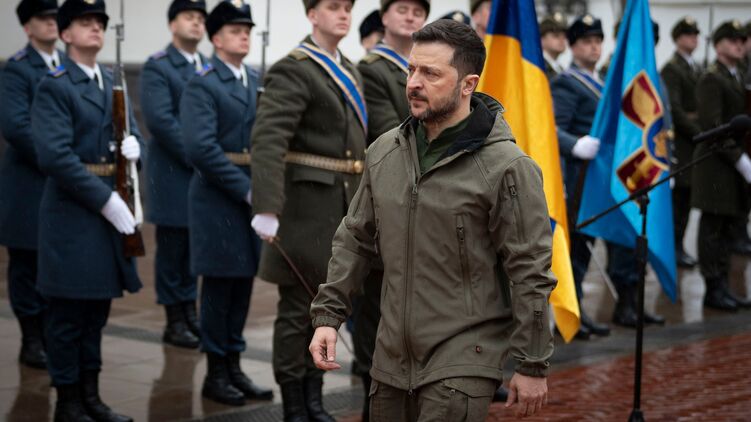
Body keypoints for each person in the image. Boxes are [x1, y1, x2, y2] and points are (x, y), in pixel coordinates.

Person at [309, 19, 555, 421]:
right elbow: (354, 239)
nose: (414, 83)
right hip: (389, 360)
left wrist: (532, 362)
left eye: (431, 73)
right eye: (411, 70)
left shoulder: (508, 166)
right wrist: (328, 317)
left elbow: (530, 270)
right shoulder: (384, 152)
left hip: (463, 361)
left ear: (468, 84)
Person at [249, 0, 367, 419]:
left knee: (326, 309)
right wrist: (266, 206)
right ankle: (294, 404)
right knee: (298, 311)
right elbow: (268, 139)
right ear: (312, 15)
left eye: (347, 7)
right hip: (305, 210)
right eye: (333, 6)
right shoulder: (295, 68)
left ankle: (314, 399)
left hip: (341, 206)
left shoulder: (348, 69)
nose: (343, 14)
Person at [31, 0, 143, 420]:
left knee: (96, 312)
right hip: (73, 215)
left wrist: (137, 150)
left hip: (108, 214)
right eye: (85, 22)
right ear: (65, 34)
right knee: (67, 316)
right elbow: (55, 157)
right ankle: (69, 401)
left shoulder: (112, 82)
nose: (96, 28)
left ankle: (91, 397)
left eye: (100, 22)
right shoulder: (55, 85)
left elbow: (129, 136)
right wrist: (105, 200)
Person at [180, 0, 273, 406]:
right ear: (216, 38)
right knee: (219, 289)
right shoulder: (203, 82)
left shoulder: (253, 79)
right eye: (236, 31)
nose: (244, 37)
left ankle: (234, 365)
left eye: (247, 31)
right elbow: (201, 148)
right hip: (217, 200)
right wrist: (246, 189)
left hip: (247, 197)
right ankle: (216, 372)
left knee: (242, 285)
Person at [355, 1, 428, 419]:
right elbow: (390, 131)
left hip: (427, 199)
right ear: (383, 16)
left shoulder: (427, 65)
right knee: (380, 310)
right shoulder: (373, 69)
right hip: (392, 196)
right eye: (402, 8)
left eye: (419, 10)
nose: (411, 16)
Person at [140, 0, 208, 351]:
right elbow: (161, 121)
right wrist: (201, 155)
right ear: (172, 24)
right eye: (188, 17)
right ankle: (174, 318)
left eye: (200, 18)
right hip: (173, 174)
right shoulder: (159, 66)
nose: (196, 23)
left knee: (194, 249)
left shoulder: (208, 65)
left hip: (201, 174)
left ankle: (189, 312)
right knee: (172, 250)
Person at [0, 0, 61, 370]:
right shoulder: (18, 68)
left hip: (60, 182)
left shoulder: (66, 64)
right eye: (43, 18)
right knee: (26, 264)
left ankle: (51, 334)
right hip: (29, 181)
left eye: (55, 17)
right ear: (27, 27)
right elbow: (16, 126)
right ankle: (31, 339)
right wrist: (59, 159)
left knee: (54, 262)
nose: (52, 23)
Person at [692, 20, 751, 312]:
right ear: (718, 45)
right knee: (713, 228)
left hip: (729, 167)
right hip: (715, 164)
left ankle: (724, 286)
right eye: (732, 40)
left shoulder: (736, 75)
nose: (739, 45)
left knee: (728, 228)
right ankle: (713, 287)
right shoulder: (712, 78)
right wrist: (740, 159)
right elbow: (713, 126)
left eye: (742, 40)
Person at [661, 16, 701, 269]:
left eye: (695, 34)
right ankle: (674, 248)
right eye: (688, 35)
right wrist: (698, 128)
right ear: (677, 39)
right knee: (679, 202)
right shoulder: (672, 69)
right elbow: (674, 109)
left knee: (686, 201)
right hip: (683, 144)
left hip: (693, 145)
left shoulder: (695, 67)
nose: (693, 39)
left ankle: (679, 246)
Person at [539, 13, 567, 81]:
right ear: (542, 39)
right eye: (556, 35)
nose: (561, 39)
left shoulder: (560, 69)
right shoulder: (538, 67)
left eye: (564, 36)